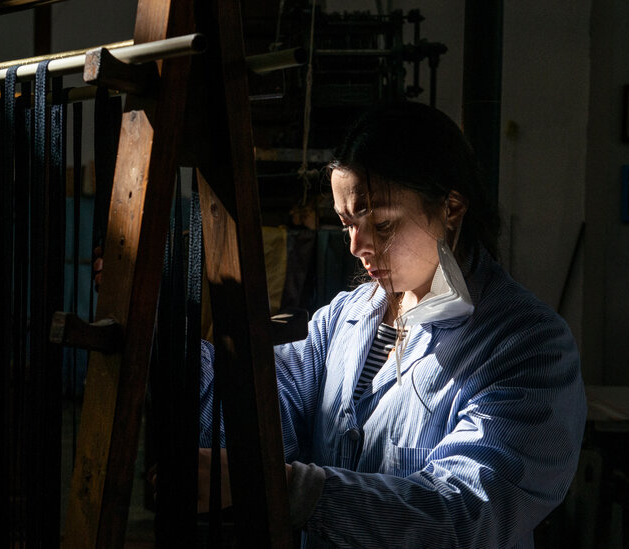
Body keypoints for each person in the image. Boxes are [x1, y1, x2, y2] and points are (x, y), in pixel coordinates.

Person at [198, 101, 586, 548]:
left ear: (451, 208)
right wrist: (165, 344)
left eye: (381, 225)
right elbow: (265, 408)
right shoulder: (346, 317)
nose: (357, 247)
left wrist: (293, 490)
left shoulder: (529, 347)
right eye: (347, 225)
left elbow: (467, 514)